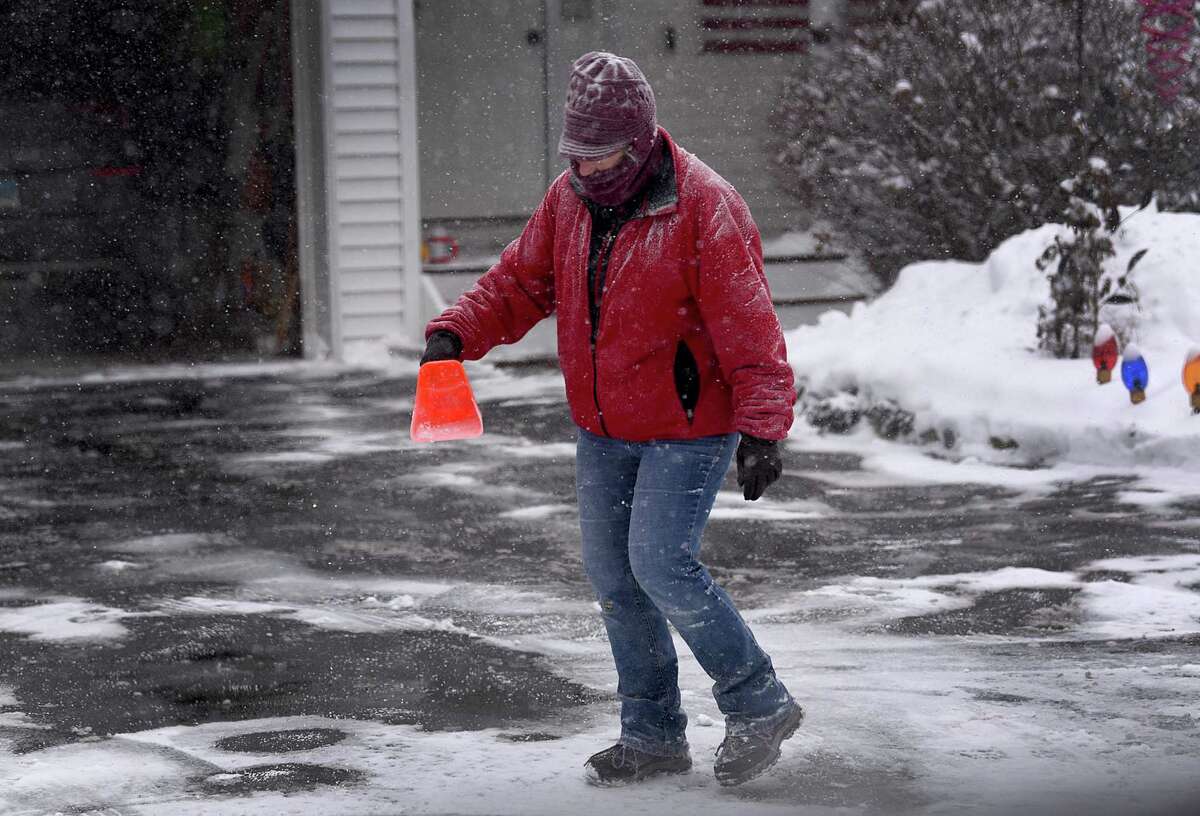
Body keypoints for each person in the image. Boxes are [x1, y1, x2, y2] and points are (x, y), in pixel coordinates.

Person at [421, 51, 802, 787]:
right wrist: (455, 334)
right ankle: (653, 734)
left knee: (661, 563)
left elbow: (752, 329)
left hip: (689, 425)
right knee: (614, 577)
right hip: (604, 424)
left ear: (639, 138)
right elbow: (519, 283)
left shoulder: (701, 204)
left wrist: (763, 429)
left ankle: (759, 702)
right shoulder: (570, 201)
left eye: (602, 155)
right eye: (578, 155)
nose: (588, 170)